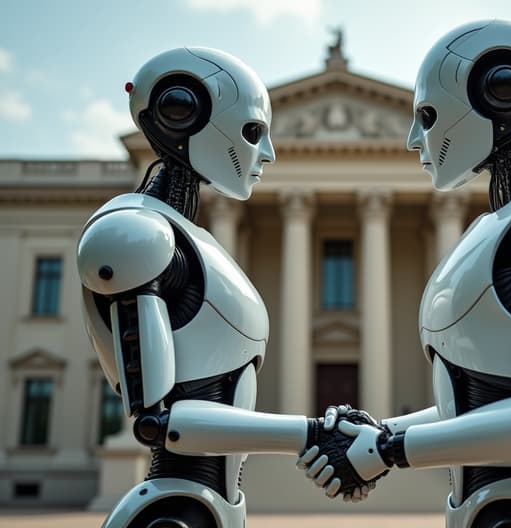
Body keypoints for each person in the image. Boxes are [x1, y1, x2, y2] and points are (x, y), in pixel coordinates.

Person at [298, 19, 511, 528]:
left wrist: (388, 449)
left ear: (495, 95)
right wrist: (372, 431)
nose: (415, 139)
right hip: (483, 510)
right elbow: (471, 405)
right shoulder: (497, 230)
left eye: (427, 116)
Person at [76, 47, 371, 528]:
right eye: (255, 133)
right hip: (171, 512)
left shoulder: (189, 241)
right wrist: (311, 433)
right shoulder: (133, 237)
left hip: (211, 506)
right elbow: (161, 422)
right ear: (187, 116)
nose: (270, 154)